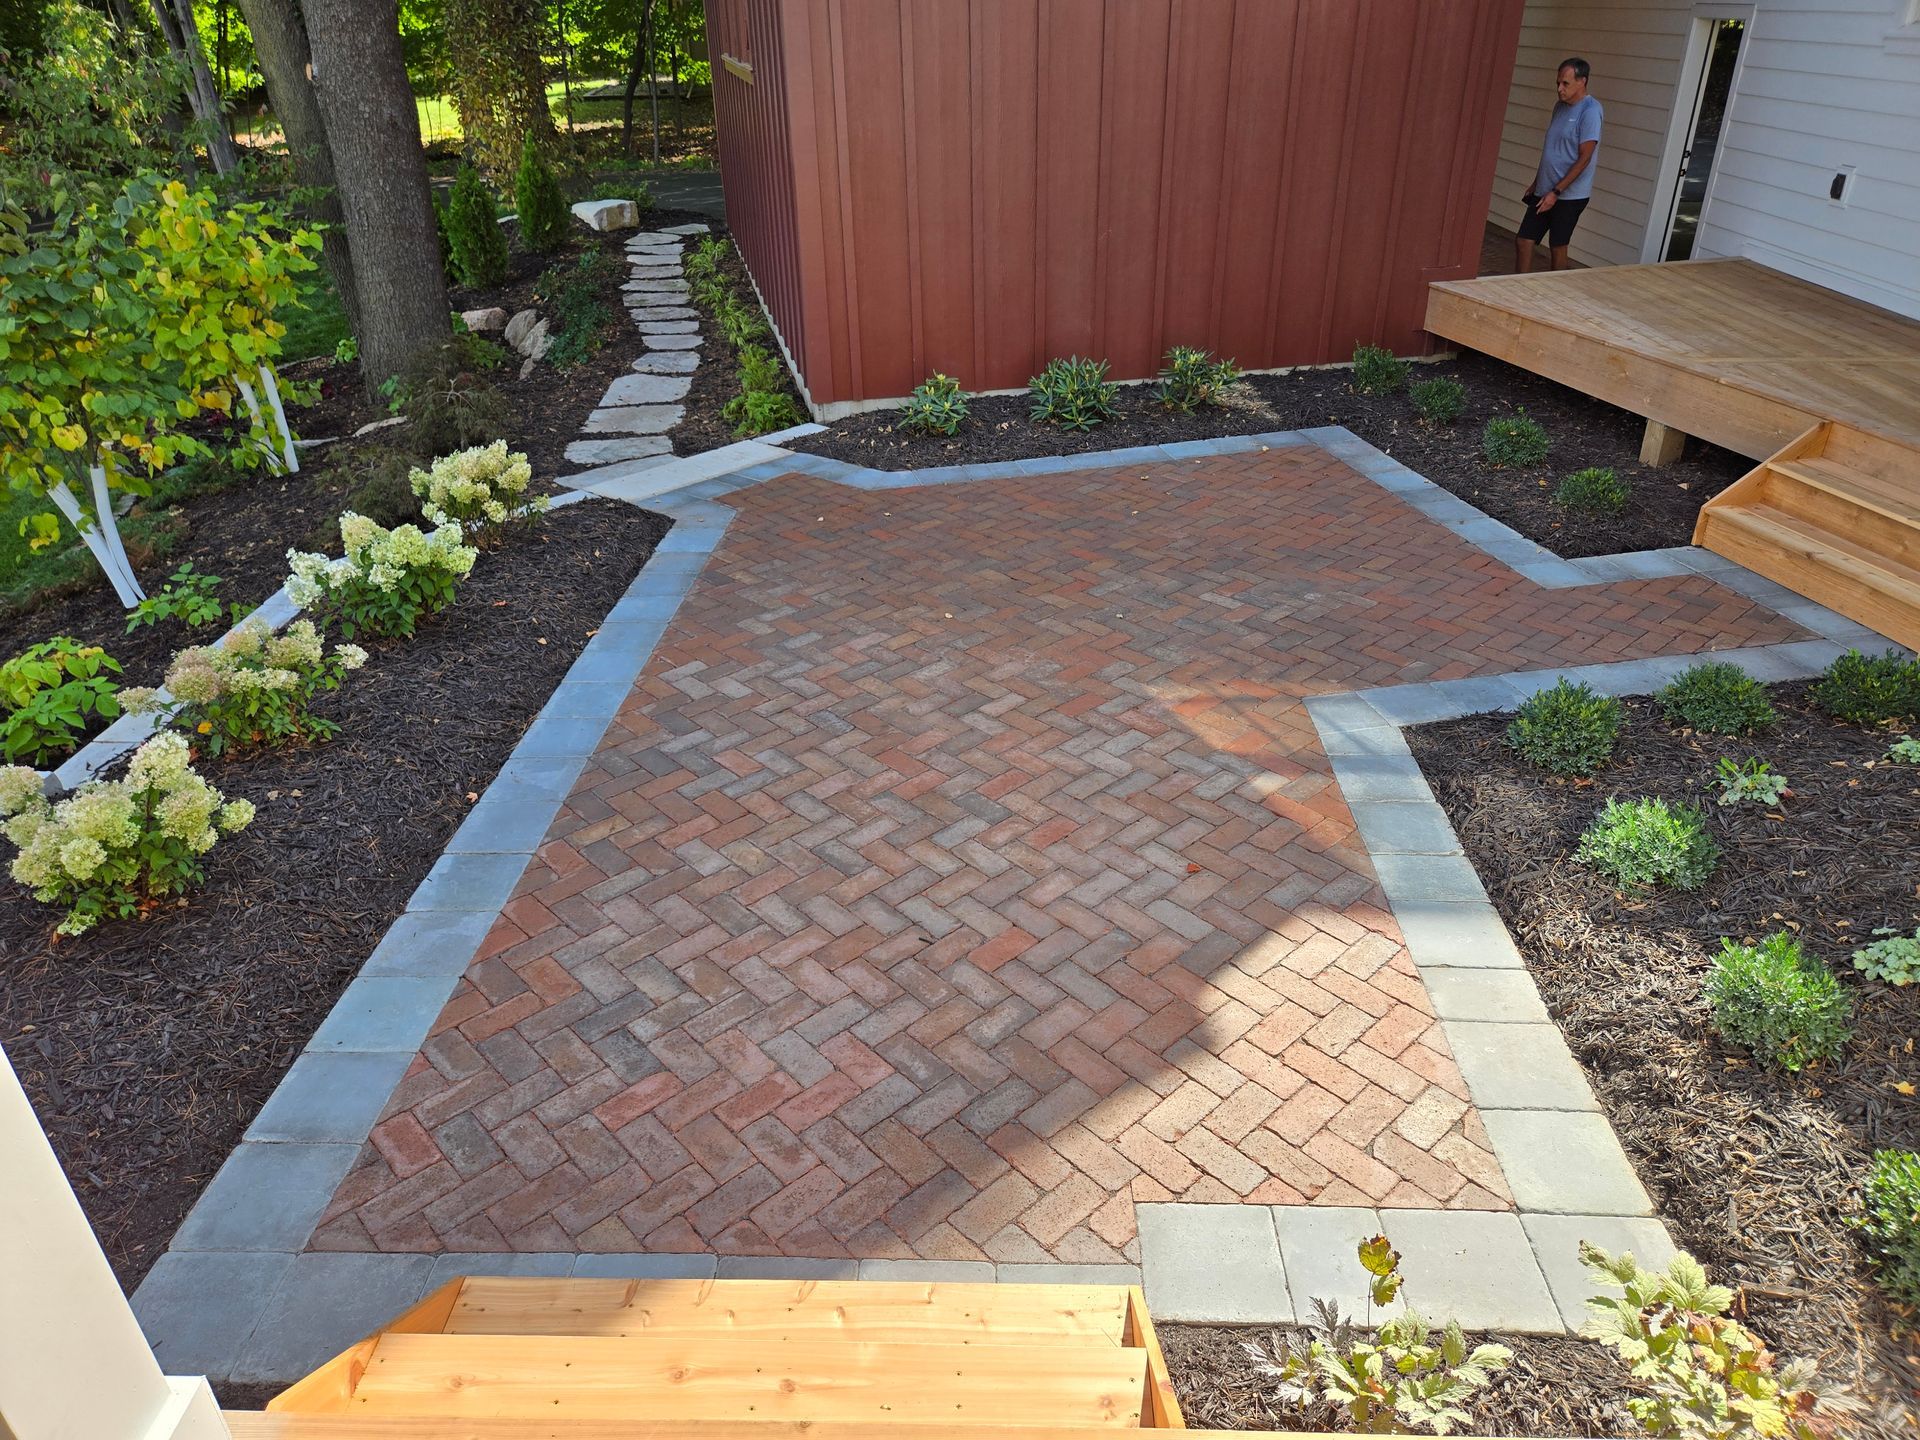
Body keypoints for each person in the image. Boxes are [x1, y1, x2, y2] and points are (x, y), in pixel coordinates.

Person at [1517, 58, 1602, 273]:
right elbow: (1552, 149)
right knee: (1524, 240)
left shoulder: (1590, 111)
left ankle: (1558, 296)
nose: (1559, 89)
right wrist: (1537, 182)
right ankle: (1517, 291)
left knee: (1558, 246)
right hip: (1545, 188)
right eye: (1558, 83)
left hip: (1569, 196)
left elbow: (1585, 157)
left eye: (1565, 83)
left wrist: (1556, 192)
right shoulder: (1560, 107)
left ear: (1582, 81)